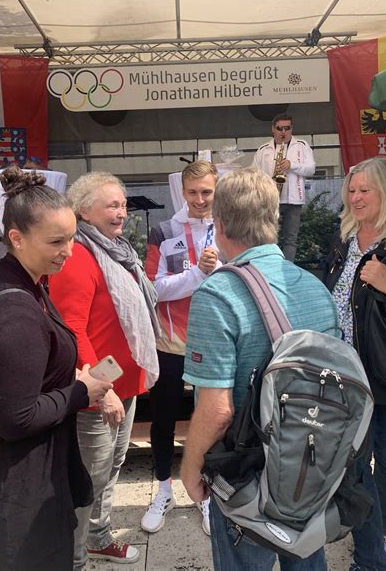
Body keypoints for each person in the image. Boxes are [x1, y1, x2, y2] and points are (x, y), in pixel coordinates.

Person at [0, 166, 111, 571]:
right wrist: (79, 392)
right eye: (56, 241)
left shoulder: (13, 281)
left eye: (71, 238)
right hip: (15, 504)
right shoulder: (17, 313)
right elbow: (14, 418)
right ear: (16, 238)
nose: (68, 251)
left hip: (1, 488)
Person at [181, 167, 340, 571]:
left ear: (218, 225)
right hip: (309, 466)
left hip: (246, 475)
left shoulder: (216, 294)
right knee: (305, 557)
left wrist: (190, 467)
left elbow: (217, 411)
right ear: (273, 218)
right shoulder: (314, 286)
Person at [49, 171, 160, 569]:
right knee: (88, 480)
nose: (121, 211)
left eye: (123, 203)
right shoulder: (78, 255)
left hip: (124, 385)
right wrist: (102, 388)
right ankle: (74, 559)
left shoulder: (118, 250)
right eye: (111, 204)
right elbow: (72, 328)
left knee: (110, 469)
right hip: (97, 393)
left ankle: (97, 539)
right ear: (83, 211)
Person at [324, 157, 386, 571]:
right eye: (352, 189)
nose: (356, 197)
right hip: (346, 371)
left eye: (365, 190)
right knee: (355, 463)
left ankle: (378, 535)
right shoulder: (345, 237)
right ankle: (372, 545)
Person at [141, 160, 222, 536]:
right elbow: (154, 289)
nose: (200, 199)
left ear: (216, 190)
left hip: (213, 342)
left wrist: (215, 270)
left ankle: (205, 493)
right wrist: (197, 274)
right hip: (169, 343)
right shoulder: (164, 231)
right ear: (182, 192)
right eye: (193, 192)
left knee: (209, 422)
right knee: (164, 419)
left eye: (207, 192)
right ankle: (162, 489)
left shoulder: (228, 228)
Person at [251, 113, 315, 261]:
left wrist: (292, 165)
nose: (283, 132)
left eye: (287, 128)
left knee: (290, 240)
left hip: (294, 200)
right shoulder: (263, 149)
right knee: (268, 238)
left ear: (292, 129)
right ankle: (271, 267)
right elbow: (254, 174)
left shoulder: (302, 145)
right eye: (280, 128)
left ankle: (287, 271)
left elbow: (311, 169)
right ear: (273, 129)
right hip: (271, 201)